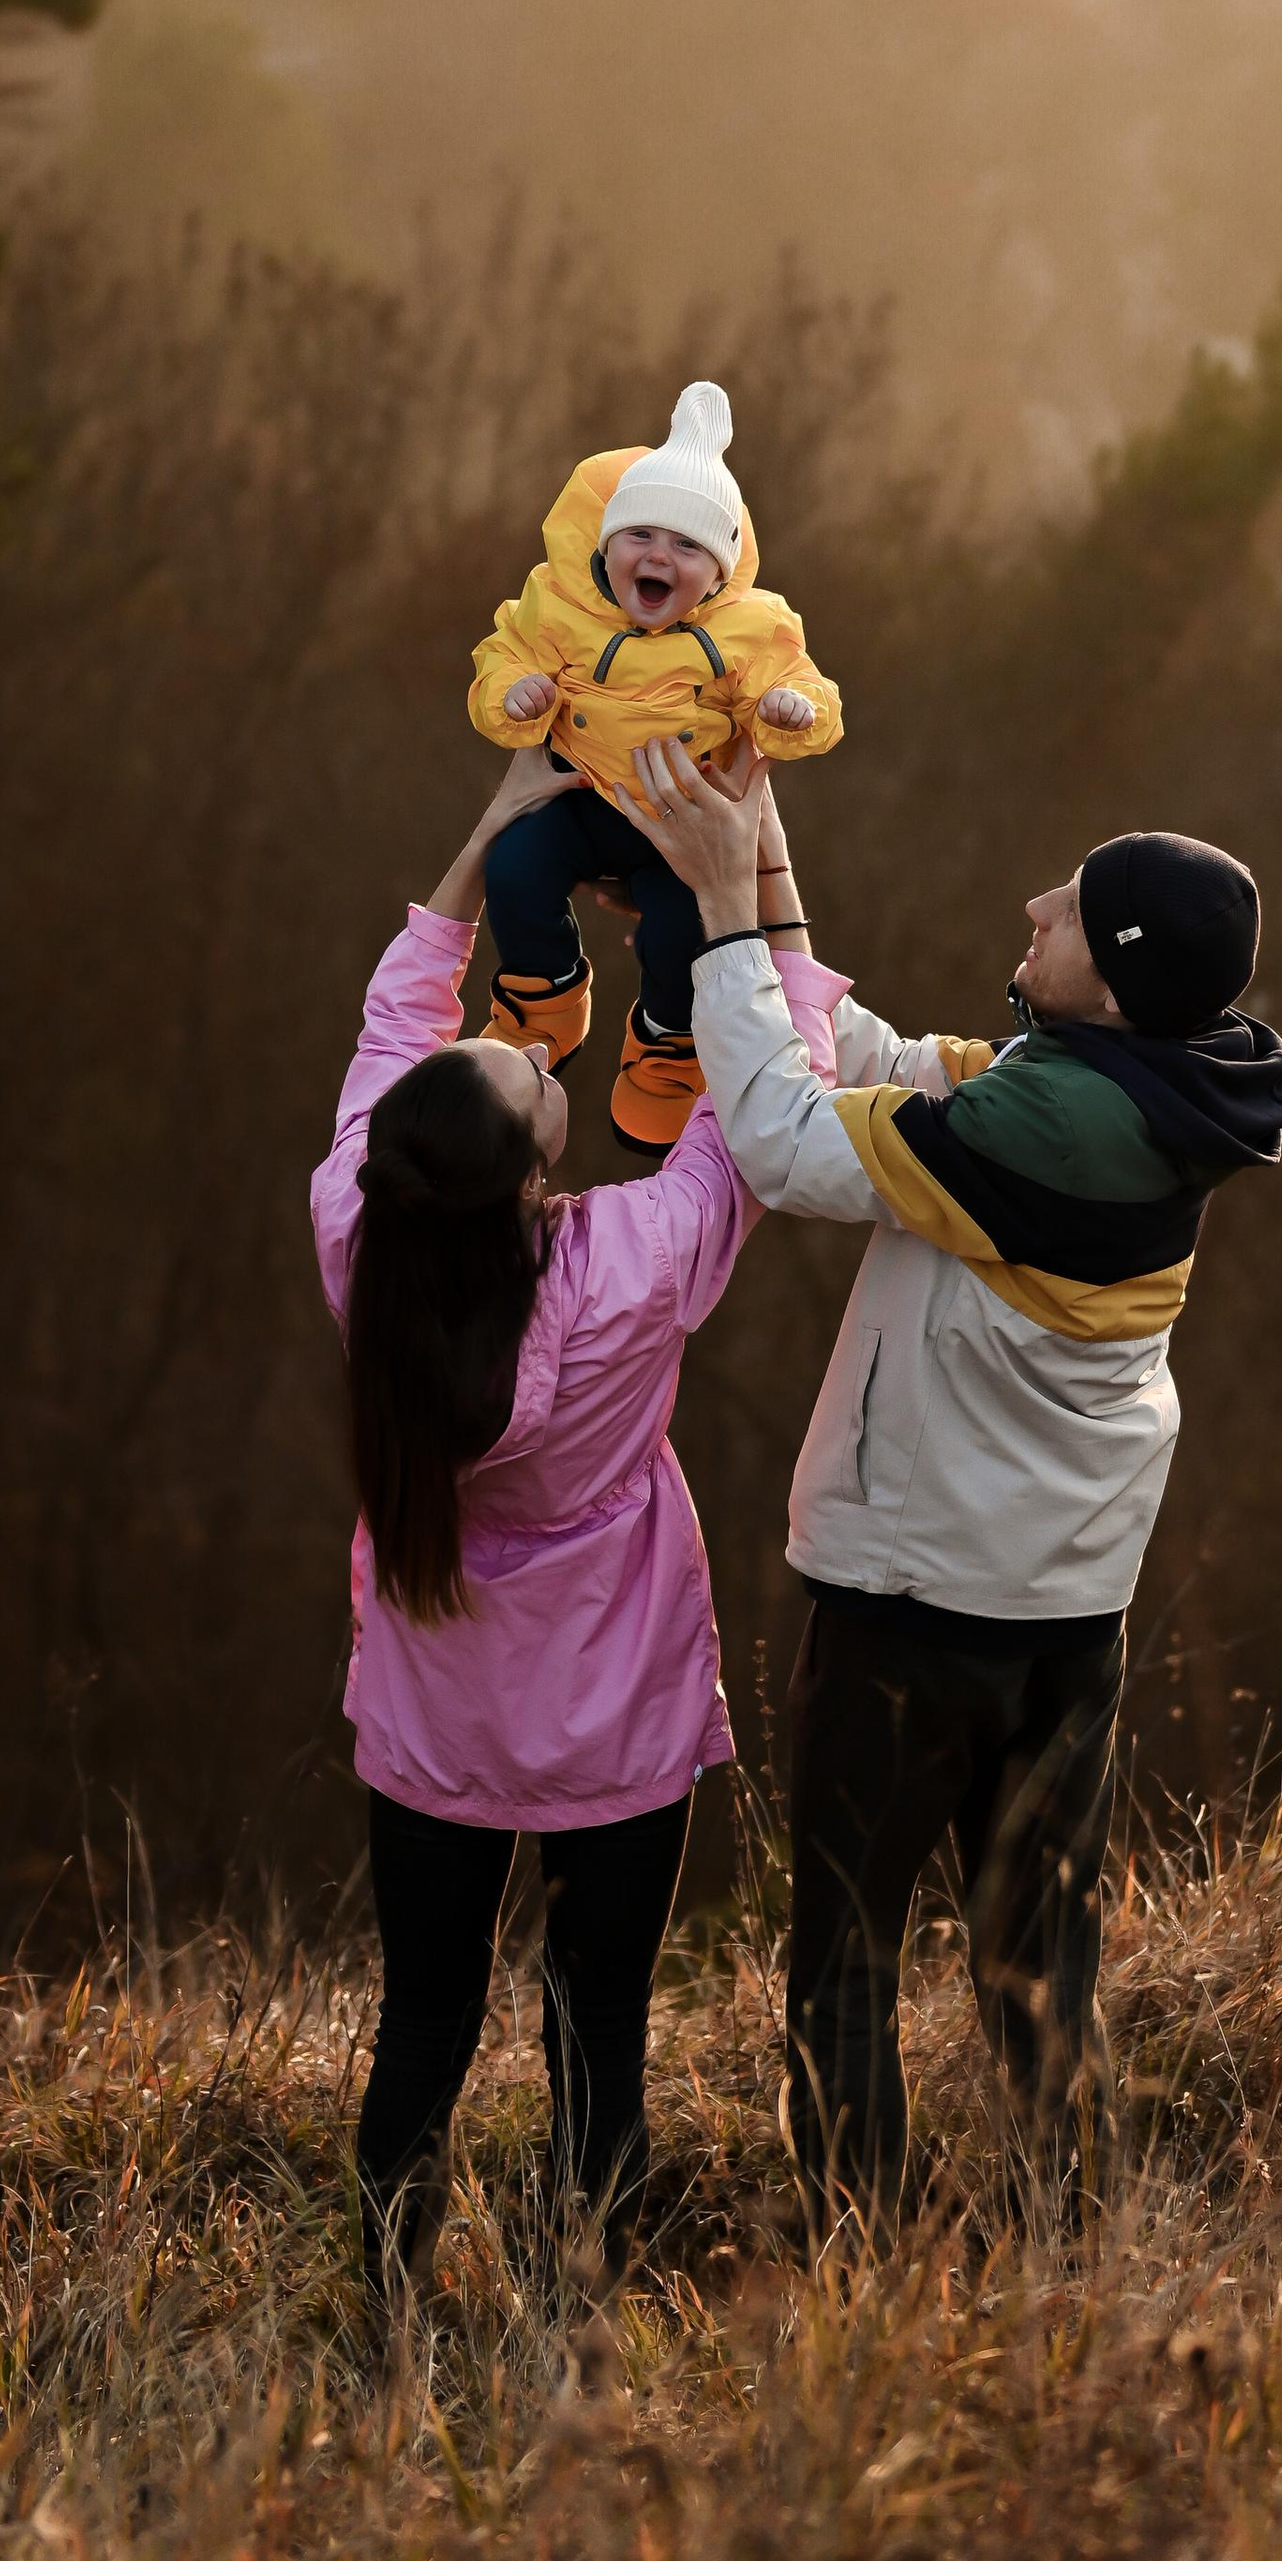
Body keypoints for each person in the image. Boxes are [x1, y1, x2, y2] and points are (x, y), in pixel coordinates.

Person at [616, 742, 1282, 2239]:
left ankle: (861, 2264)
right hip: (1064, 1614)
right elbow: (872, 1061)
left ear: (1113, 981)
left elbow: (788, 1141)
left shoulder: (1047, 1125)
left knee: (846, 1958)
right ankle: (1077, 2255)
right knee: (1039, 1962)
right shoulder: (1139, 1088)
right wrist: (762, 858)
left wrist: (719, 923)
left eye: (1074, 910)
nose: (1035, 904)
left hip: (917, 1610)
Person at [310, 743, 839, 2315]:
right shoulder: (637, 1262)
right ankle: (573, 2320)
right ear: (535, 1158)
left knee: (424, 2024)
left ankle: (388, 2316)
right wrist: (755, 868)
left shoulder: (361, 1241)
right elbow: (771, 1098)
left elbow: (395, 1032)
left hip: (436, 1715)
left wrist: (485, 839)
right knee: (599, 2029)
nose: (534, 1055)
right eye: (532, 1078)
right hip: (621, 1715)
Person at [467, 380, 842, 1151]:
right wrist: (515, 692)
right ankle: (544, 996)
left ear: (720, 573)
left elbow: (799, 682)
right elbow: (504, 653)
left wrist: (789, 710)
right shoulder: (560, 603)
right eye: (638, 534)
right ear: (605, 545)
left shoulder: (746, 628)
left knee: (684, 933)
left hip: (683, 820)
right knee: (513, 869)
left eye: (688, 546)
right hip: (579, 793)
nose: (658, 555)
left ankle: (668, 1043)